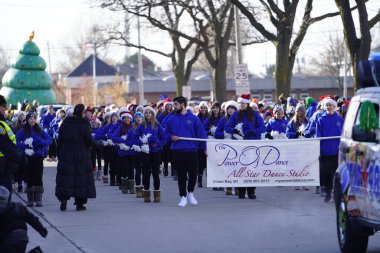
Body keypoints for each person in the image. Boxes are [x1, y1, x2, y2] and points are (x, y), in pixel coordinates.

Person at [55, 104, 98, 211]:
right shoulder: (84, 124)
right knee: (80, 179)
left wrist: (59, 152)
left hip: (66, 153)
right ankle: (79, 203)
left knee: (66, 177)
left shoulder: (65, 123)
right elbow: (89, 140)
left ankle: (63, 199)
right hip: (81, 154)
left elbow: (59, 139)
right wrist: (98, 145)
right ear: (82, 113)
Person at [166, 96, 207, 207]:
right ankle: (183, 196)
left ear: (183, 104)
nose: (174, 107)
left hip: (192, 150)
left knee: (193, 174)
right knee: (181, 175)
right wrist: (171, 137)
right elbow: (165, 133)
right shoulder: (171, 119)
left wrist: (205, 148)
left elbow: (201, 134)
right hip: (177, 151)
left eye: (176, 104)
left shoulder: (194, 118)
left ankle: (190, 192)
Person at [225, 94, 266, 199]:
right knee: (240, 168)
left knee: (252, 168)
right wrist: (235, 130)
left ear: (247, 104)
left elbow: (262, 127)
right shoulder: (235, 115)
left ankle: (251, 191)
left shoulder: (255, 115)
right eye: (239, 103)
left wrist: (252, 131)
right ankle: (241, 191)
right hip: (239, 145)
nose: (240, 105)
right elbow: (227, 127)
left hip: (252, 145)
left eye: (242, 103)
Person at [16, 112, 52, 207]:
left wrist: (42, 143)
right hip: (28, 156)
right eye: (30, 119)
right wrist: (25, 145)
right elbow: (16, 142)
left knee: (38, 177)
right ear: (27, 120)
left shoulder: (39, 129)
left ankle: (38, 199)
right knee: (29, 177)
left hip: (38, 156)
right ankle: (30, 200)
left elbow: (49, 139)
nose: (32, 120)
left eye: (34, 118)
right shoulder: (23, 130)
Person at [0, 186, 48, 253]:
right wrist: (41, 229)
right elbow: (31, 218)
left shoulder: (2, 212)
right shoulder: (18, 206)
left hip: (9, 240)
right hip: (22, 236)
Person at [133, 106, 165, 203]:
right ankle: (146, 194)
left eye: (149, 113)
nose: (147, 115)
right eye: (146, 113)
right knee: (146, 173)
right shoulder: (141, 126)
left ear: (153, 114)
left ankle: (157, 194)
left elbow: (163, 137)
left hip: (156, 152)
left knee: (155, 173)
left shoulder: (157, 124)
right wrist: (141, 143)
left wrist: (158, 144)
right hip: (145, 152)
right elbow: (135, 137)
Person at [316, 98, 344, 203]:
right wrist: (319, 148)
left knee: (336, 174)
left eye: (330, 105)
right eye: (326, 105)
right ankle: (327, 193)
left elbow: (344, 133)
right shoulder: (321, 120)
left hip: (337, 151)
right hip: (325, 152)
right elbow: (318, 135)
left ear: (334, 106)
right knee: (326, 174)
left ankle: (336, 195)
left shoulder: (340, 119)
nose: (328, 107)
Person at [0, 95, 26, 201]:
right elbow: (6, 145)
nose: (5, 108)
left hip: (5, 163)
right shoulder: (1, 126)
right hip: (3, 164)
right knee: (4, 198)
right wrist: (22, 158)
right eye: (3, 106)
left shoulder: (3, 122)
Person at [203, 102, 222, 190]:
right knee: (212, 163)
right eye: (213, 108)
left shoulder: (223, 119)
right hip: (211, 143)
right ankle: (213, 182)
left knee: (221, 163)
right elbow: (203, 130)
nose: (215, 109)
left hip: (221, 143)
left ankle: (221, 183)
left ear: (219, 109)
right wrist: (209, 132)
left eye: (216, 108)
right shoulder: (208, 120)